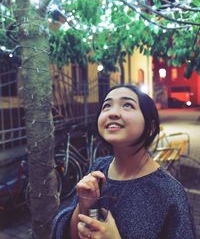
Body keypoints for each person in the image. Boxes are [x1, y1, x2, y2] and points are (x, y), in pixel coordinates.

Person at [51, 84, 196, 239]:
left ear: (151, 127)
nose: (112, 113)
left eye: (127, 105)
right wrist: (83, 205)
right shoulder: (99, 168)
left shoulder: (169, 192)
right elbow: (69, 234)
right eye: (107, 106)